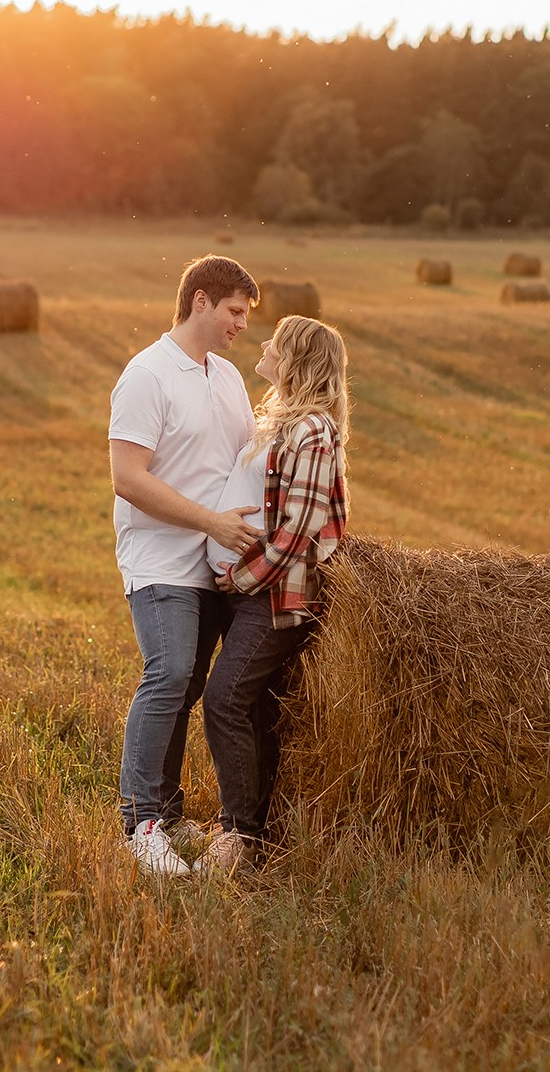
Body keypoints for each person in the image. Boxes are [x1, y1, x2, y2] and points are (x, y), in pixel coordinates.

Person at [108, 255, 263, 876]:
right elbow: (127, 479)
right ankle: (140, 823)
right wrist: (211, 523)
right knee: (169, 673)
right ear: (201, 301)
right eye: (234, 312)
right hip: (161, 558)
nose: (241, 326)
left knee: (193, 687)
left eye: (246, 316)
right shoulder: (147, 375)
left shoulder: (226, 377)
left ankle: (169, 814)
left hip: (216, 564)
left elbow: (247, 458)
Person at [200, 314, 350, 874]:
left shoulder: (313, 430)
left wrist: (239, 577)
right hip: (248, 592)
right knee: (255, 706)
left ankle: (238, 835)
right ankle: (256, 829)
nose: (262, 343)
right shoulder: (275, 419)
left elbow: (298, 529)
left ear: (297, 359)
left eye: (276, 342)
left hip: (274, 597)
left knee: (225, 699)